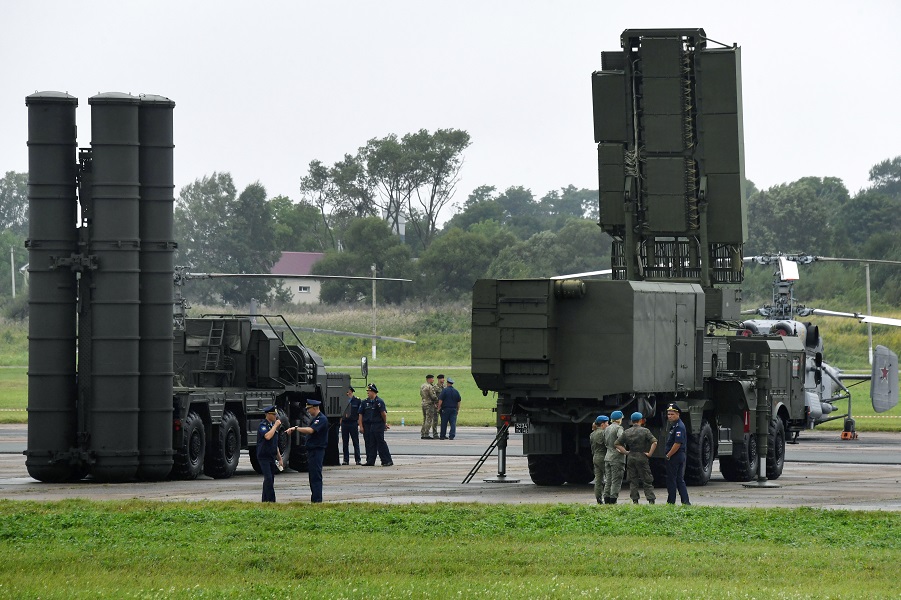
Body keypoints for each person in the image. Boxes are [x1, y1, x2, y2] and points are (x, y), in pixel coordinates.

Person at [287, 399, 328, 503]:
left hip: (317, 451)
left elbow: (311, 430)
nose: (308, 411)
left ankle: (317, 499)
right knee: (312, 476)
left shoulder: (321, 419)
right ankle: (315, 498)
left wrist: (296, 428)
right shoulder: (315, 419)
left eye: (309, 408)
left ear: (315, 407)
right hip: (312, 451)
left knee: (316, 475)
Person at [617, 411, 658, 504]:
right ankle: (650, 499)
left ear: (632, 421)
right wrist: (650, 453)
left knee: (633, 480)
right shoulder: (645, 431)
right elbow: (654, 442)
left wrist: (626, 452)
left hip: (631, 457)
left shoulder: (627, 431)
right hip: (642, 456)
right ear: (641, 420)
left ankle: (635, 500)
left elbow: (617, 444)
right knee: (646, 479)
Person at [358, 383, 393, 466]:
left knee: (380, 443)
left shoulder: (379, 402)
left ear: (374, 392)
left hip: (378, 425)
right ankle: (370, 460)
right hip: (368, 425)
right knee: (370, 443)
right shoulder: (364, 402)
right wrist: (361, 426)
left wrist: (384, 423)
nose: (368, 393)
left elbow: (383, 414)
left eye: (369, 391)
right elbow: (360, 415)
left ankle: (386, 460)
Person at [664, 403, 691, 505]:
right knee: (679, 480)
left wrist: (668, 455)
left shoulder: (679, 427)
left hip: (675, 456)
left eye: (672, 414)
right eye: (668, 414)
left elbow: (677, 443)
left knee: (672, 480)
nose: (670, 416)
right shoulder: (676, 425)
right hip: (678, 456)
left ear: (678, 414)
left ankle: (671, 502)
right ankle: (685, 502)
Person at [256, 405, 283, 503]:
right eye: (273, 414)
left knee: (270, 479)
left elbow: (275, 444)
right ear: (267, 415)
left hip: (271, 456)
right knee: (268, 478)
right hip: (263, 456)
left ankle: (265, 500)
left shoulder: (272, 427)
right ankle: (271, 500)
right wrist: (275, 426)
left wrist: (279, 458)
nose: (275, 416)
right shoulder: (263, 425)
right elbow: (267, 437)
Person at [602, 410, 626, 504]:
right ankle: (613, 500)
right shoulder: (619, 428)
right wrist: (623, 449)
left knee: (608, 480)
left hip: (608, 456)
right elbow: (621, 439)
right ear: (619, 419)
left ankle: (606, 499)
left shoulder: (606, 428)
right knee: (616, 480)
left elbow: (604, 441)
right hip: (617, 457)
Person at [590, 415, 610, 504]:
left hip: (595, 457)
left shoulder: (592, 433)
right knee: (609, 478)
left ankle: (598, 498)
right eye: (607, 423)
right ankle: (607, 497)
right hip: (603, 457)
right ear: (602, 424)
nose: (608, 425)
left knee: (598, 479)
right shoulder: (603, 433)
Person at [340, 386, 362, 465]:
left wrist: (359, 422)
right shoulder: (343, 401)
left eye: (349, 391)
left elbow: (360, 412)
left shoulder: (357, 401)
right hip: (345, 423)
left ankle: (358, 459)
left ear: (351, 391)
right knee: (345, 442)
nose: (347, 393)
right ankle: (346, 460)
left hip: (353, 423)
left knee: (355, 441)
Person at [419, 374, 439, 440]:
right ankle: (426, 434)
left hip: (423, 402)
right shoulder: (430, 387)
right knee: (429, 419)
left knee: (425, 419)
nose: (433, 380)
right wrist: (437, 400)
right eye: (432, 379)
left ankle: (422, 433)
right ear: (429, 379)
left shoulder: (422, 386)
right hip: (429, 404)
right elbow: (433, 396)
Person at [433, 374, 447, 439]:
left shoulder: (444, 387)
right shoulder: (435, 387)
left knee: (444, 421)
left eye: (443, 378)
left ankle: (443, 434)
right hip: (436, 405)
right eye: (442, 378)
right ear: (439, 379)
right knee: (435, 420)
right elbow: (433, 396)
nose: (443, 380)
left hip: (443, 406)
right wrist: (435, 404)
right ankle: (435, 434)